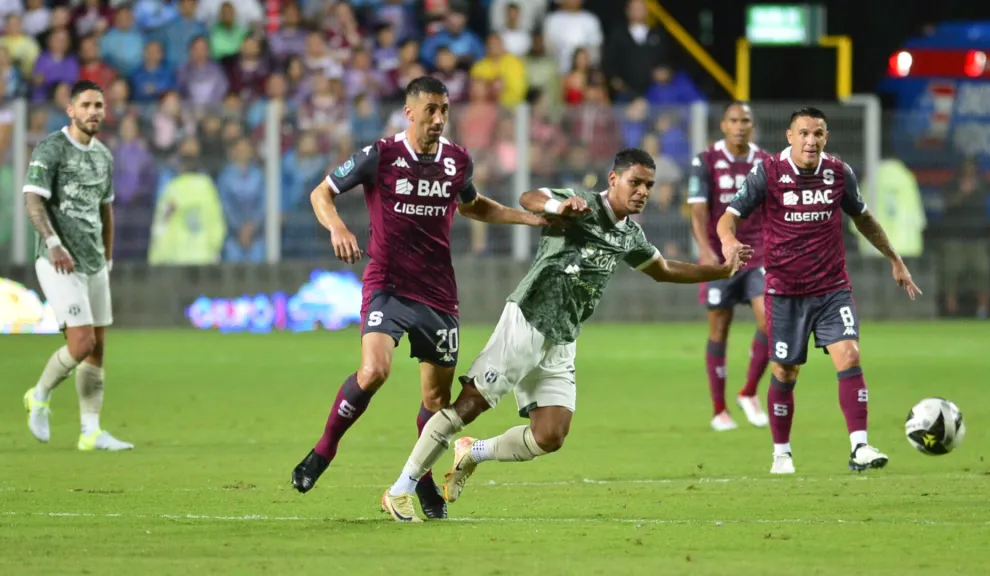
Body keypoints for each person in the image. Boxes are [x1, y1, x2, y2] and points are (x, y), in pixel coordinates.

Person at [378, 148, 753, 522]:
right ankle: (400, 489)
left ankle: (472, 453)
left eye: (649, 186)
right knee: (470, 404)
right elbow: (530, 198)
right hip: (528, 319)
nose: (642, 191)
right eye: (635, 182)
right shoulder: (581, 205)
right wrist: (557, 209)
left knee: (551, 435)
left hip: (563, 337)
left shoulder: (630, 235)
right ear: (614, 180)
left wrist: (721, 272)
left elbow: (664, 268)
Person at [291, 76, 547, 519]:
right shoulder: (381, 155)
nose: (438, 119)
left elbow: (473, 205)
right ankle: (323, 450)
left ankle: (421, 478)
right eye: (430, 110)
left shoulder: (456, 161)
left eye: (444, 110)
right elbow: (322, 193)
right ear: (409, 112)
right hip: (387, 285)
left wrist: (527, 219)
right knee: (374, 371)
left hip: (438, 295)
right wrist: (337, 226)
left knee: (435, 403)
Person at [717, 107, 922, 475]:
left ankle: (859, 445)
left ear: (825, 138)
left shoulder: (839, 173)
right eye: (804, 133)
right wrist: (729, 240)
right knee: (785, 371)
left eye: (818, 134)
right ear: (790, 136)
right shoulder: (768, 172)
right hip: (784, 292)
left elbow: (863, 218)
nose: (811, 141)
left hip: (832, 288)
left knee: (850, 354)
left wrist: (895, 258)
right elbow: (729, 215)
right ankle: (782, 452)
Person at [22, 80, 133, 451]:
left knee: (98, 347)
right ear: (71, 110)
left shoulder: (103, 155)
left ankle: (90, 432)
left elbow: (106, 209)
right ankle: (38, 395)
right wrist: (53, 243)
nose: (93, 112)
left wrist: (108, 256)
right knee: (81, 341)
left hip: (93, 262)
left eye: (98, 106)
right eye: (85, 105)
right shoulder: (51, 149)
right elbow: (34, 202)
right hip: (57, 261)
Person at [688, 101, 771, 431]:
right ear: (723, 125)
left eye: (745, 121)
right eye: (734, 120)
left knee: (770, 319)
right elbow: (697, 210)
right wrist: (706, 251)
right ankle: (719, 409)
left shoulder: (765, 161)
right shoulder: (705, 160)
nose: (739, 126)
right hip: (720, 256)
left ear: (752, 126)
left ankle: (749, 391)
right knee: (719, 328)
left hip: (759, 253)